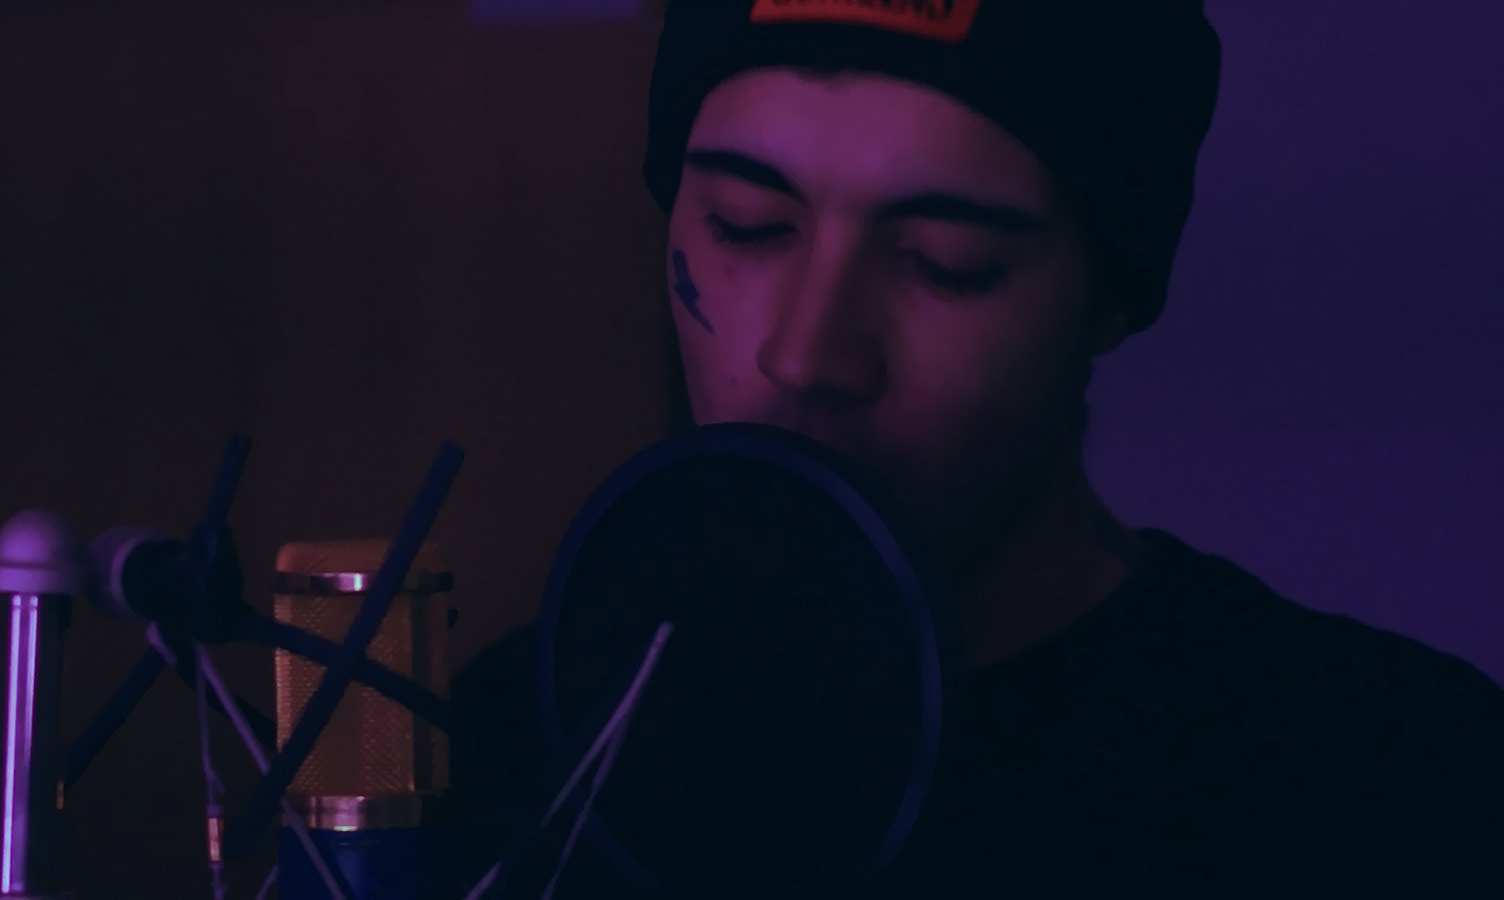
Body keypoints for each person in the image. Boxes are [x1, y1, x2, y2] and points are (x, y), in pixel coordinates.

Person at [448, 1, 1504, 896]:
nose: (805, 354)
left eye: (946, 263)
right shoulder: (478, 767)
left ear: (1106, 298)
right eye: (747, 224)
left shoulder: (1397, 788)